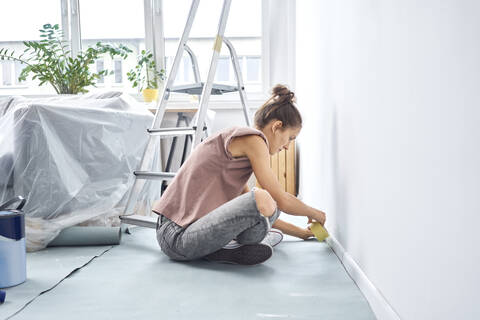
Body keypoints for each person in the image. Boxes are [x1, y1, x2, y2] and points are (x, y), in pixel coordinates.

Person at [153, 84, 326, 265]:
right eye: (290, 138)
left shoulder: (237, 156)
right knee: (266, 198)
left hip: (187, 238)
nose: (287, 146)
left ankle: (221, 250)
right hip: (177, 236)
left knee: (267, 204)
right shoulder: (254, 140)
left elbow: (254, 213)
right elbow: (277, 201)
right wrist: (315, 214)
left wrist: (301, 233)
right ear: (277, 127)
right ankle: (242, 243)